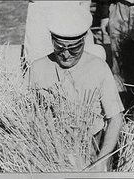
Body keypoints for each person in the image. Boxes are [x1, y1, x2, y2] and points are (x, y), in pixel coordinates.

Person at [25, 5, 124, 171]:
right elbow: (28, 116)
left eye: (73, 48)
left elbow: (115, 118)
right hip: (50, 150)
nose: (65, 55)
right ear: (51, 40)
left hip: (91, 150)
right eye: (60, 47)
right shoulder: (37, 69)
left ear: (84, 40)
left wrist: (101, 161)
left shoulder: (98, 68)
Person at [24, 1, 106, 64]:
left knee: (80, 58)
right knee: (39, 58)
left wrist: (105, 14)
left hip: (74, 8)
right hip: (42, 11)